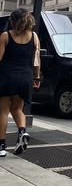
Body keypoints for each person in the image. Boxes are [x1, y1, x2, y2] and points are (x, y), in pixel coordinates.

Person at [0, 8, 41, 157]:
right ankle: (22, 132)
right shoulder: (34, 37)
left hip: (6, 77)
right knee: (17, 109)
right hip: (25, 77)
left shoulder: (5, 36)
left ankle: (1, 146)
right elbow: (37, 61)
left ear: (12, 21)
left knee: (3, 111)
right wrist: (36, 78)